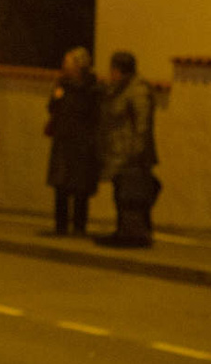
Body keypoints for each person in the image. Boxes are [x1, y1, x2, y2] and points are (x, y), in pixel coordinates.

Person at [96, 50, 159, 248]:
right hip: (119, 152)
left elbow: (142, 124)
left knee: (132, 196)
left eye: (113, 69)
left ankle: (134, 235)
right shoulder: (119, 88)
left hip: (131, 155)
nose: (110, 73)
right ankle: (124, 232)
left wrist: (137, 152)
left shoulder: (137, 89)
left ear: (120, 70)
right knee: (122, 195)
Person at [45, 47, 100, 236]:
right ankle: (60, 225)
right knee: (61, 185)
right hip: (63, 140)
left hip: (83, 143)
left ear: (78, 66)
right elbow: (52, 107)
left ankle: (79, 226)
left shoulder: (91, 88)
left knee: (80, 187)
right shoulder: (62, 85)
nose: (63, 66)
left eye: (67, 62)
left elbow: (94, 115)